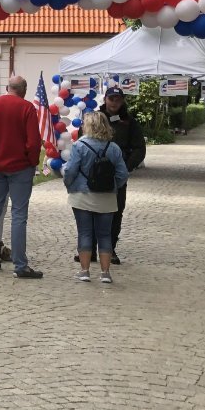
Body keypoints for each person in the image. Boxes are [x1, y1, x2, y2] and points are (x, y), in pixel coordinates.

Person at [0, 75, 43, 278]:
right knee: (19, 215)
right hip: (20, 167)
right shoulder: (27, 108)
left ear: (7, 88)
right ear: (23, 90)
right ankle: (20, 265)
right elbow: (33, 142)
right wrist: (32, 162)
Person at [63, 110, 130, 283]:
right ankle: (105, 273)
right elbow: (123, 173)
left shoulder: (79, 145)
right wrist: (114, 186)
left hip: (82, 194)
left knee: (84, 232)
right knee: (105, 234)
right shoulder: (113, 148)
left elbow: (71, 170)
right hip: (107, 197)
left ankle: (85, 271)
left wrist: (70, 185)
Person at [92, 85, 146, 263]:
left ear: (122, 101)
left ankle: (110, 249)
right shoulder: (95, 118)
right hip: (94, 173)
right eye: (111, 98)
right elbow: (82, 140)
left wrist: (126, 166)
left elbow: (140, 148)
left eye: (118, 99)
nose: (114, 102)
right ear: (105, 100)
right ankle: (89, 249)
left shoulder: (129, 122)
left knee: (116, 211)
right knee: (91, 210)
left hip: (117, 174)